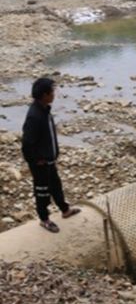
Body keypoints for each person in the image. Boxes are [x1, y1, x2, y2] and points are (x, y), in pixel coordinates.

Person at [22, 77, 80, 233]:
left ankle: (65, 210)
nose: (54, 94)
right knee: (42, 192)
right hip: (40, 163)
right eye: (52, 92)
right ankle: (44, 219)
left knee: (56, 185)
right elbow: (27, 144)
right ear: (45, 94)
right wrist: (36, 160)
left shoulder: (44, 110)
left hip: (48, 160)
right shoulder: (35, 116)